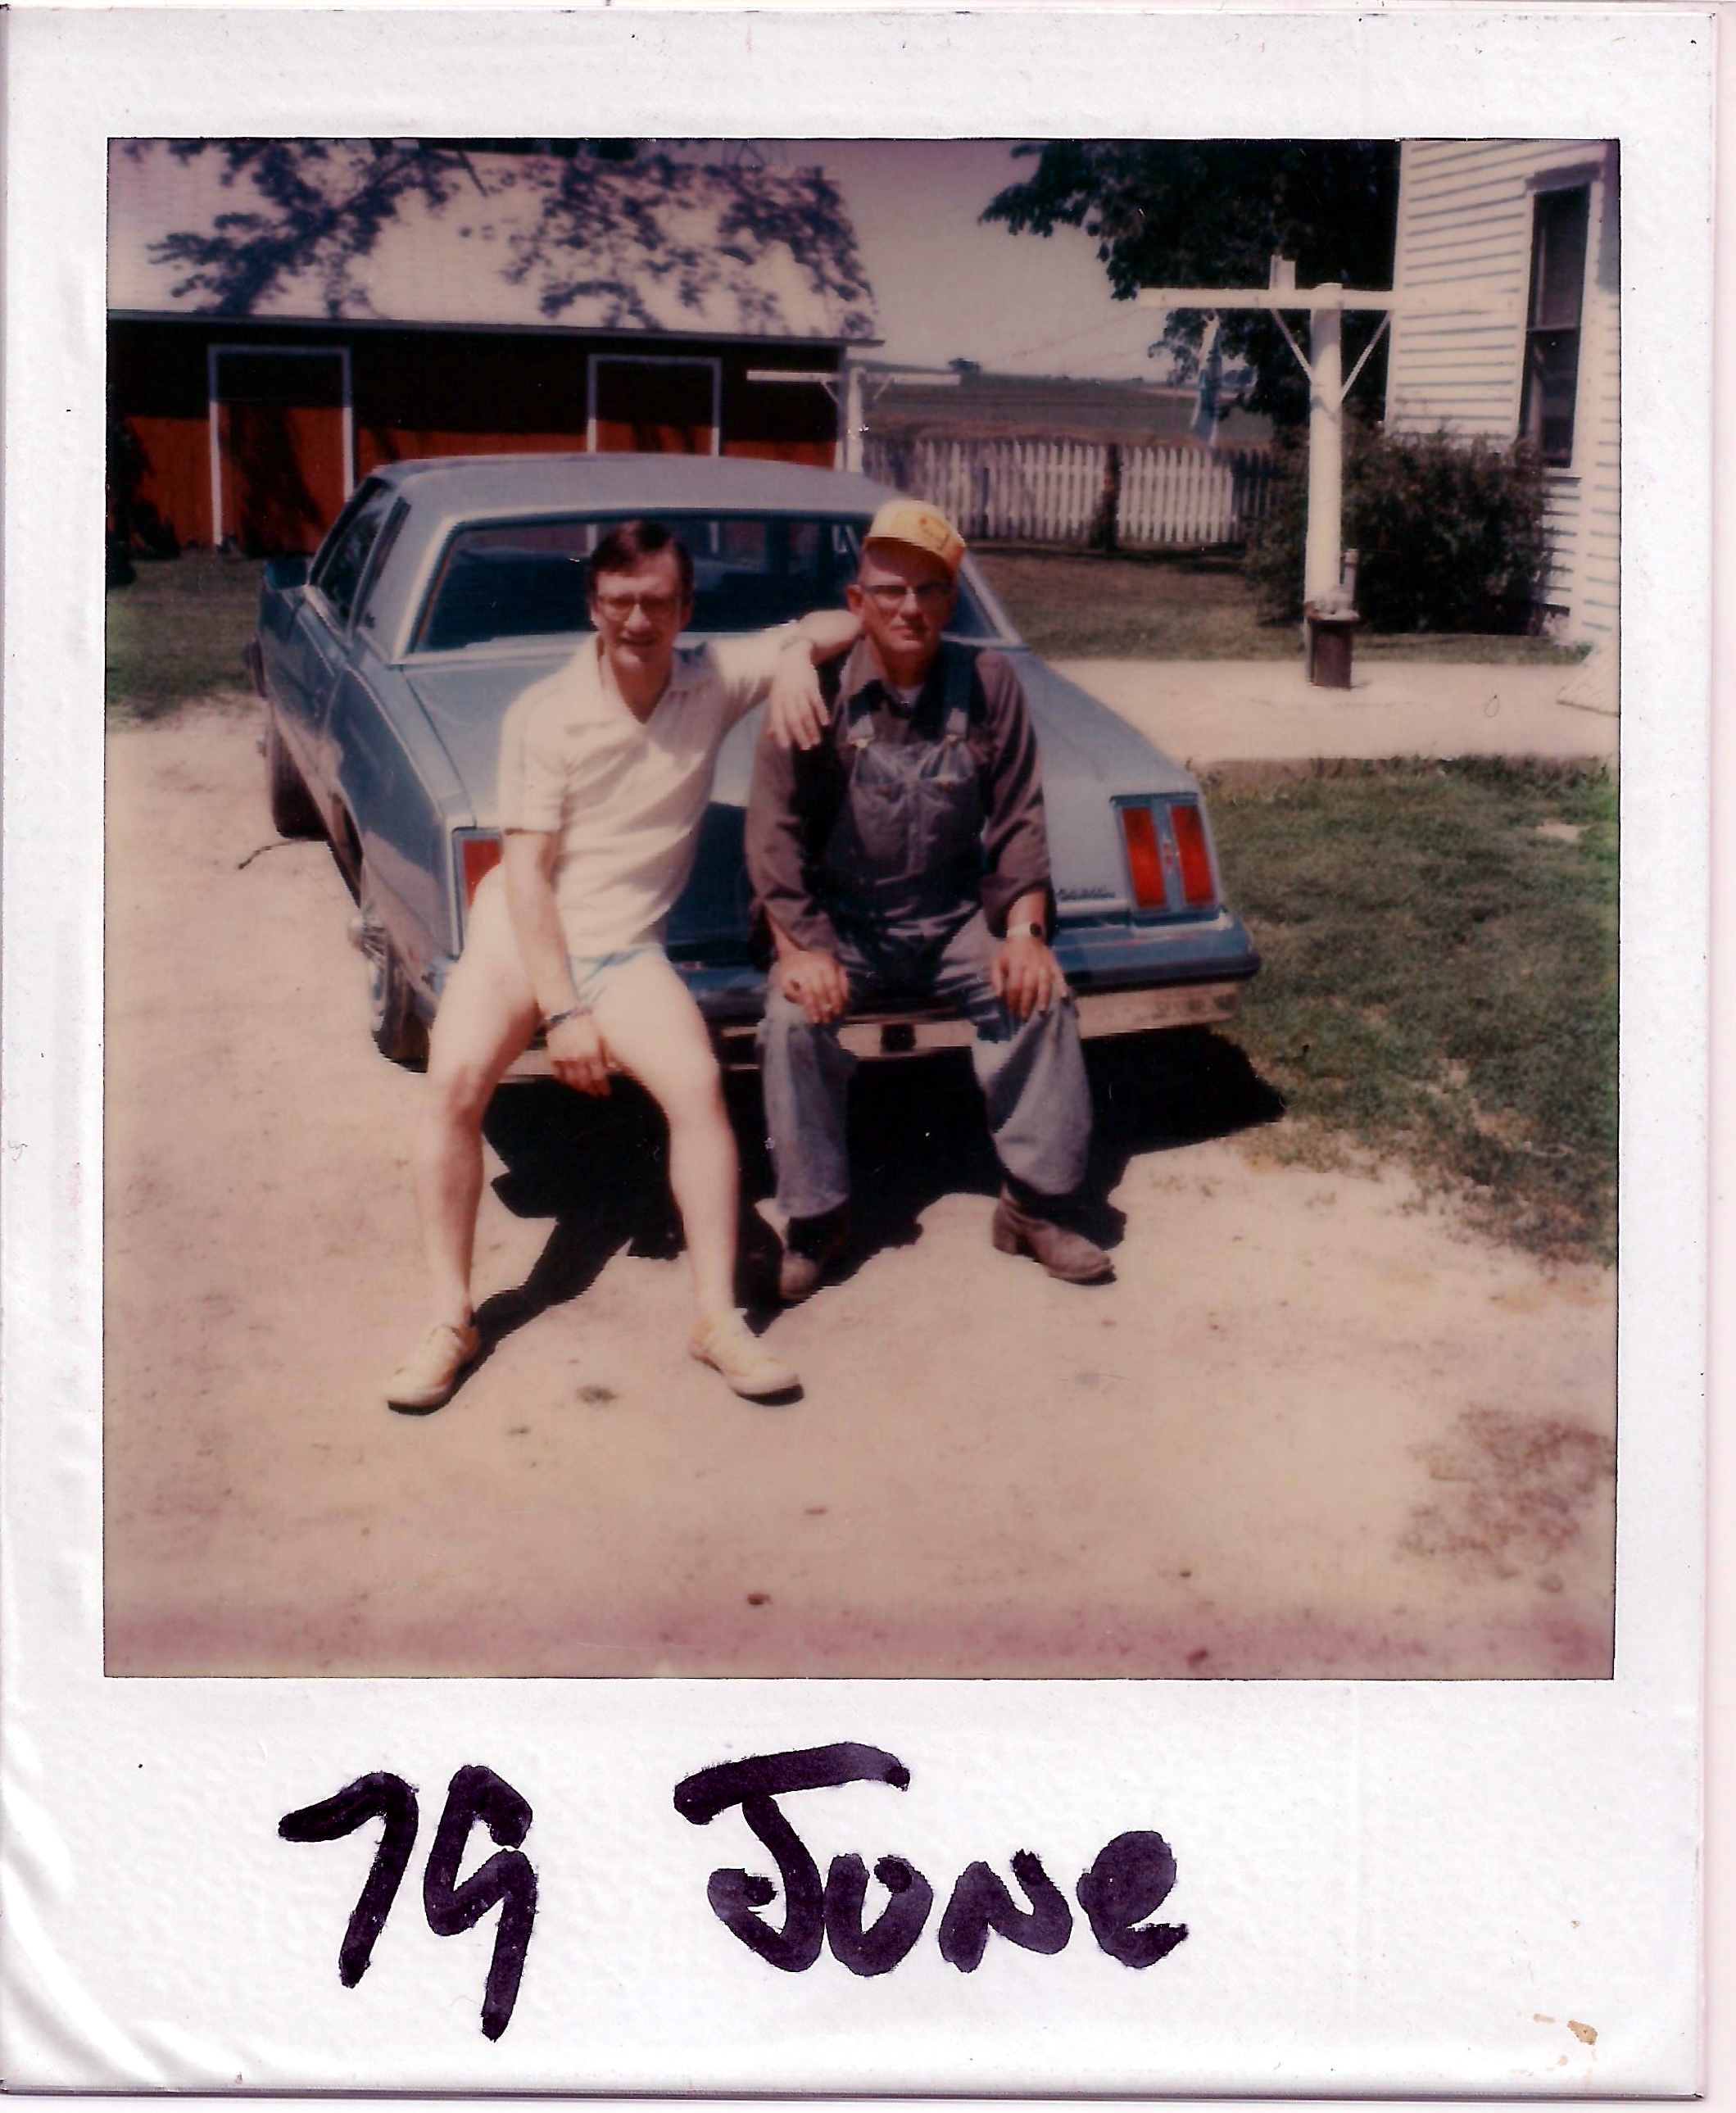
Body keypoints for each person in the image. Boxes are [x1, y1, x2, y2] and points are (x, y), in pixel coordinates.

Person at [384, 519, 859, 1412]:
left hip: (628, 950)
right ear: (593, 605)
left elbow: (845, 621)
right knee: (451, 1087)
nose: (636, 619)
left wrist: (794, 653)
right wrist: (563, 1012)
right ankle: (451, 1317)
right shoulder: (546, 713)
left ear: (684, 607)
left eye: (655, 601)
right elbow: (523, 875)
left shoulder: (713, 677)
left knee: (697, 1090)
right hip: (521, 939)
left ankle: (716, 1319)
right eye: (617, 601)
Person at [746, 499, 1112, 1303]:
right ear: (856, 602)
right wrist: (800, 949)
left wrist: (1022, 927)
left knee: (1040, 993)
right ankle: (817, 1219)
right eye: (889, 591)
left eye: (929, 590)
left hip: (950, 921)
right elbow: (771, 836)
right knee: (788, 1020)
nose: (908, 607)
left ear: (952, 600)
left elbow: (1019, 815)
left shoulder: (987, 682)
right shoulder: (812, 691)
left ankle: (1034, 1205)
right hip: (839, 927)